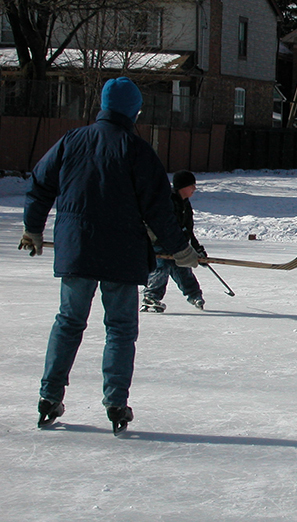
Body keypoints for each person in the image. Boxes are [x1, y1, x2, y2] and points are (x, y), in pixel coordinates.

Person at [20, 77, 199, 433]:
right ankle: (116, 402)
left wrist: (33, 228)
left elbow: (40, 185)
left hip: (77, 250)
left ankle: (49, 395)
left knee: (68, 323)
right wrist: (179, 248)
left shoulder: (72, 140)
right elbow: (158, 209)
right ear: (134, 111)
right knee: (119, 330)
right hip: (121, 254)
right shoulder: (136, 150)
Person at [142, 170, 207, 313]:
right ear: (183, 187)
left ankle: (194, 294)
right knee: (161, 267)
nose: (194, 189)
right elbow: (163, 225)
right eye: (192, 186)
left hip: (177, 244)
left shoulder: (185, 204)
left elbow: (188, 229)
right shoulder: (167, 201)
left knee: (183, 267)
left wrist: (197, 249)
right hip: (159, 243)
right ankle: (151, 296)